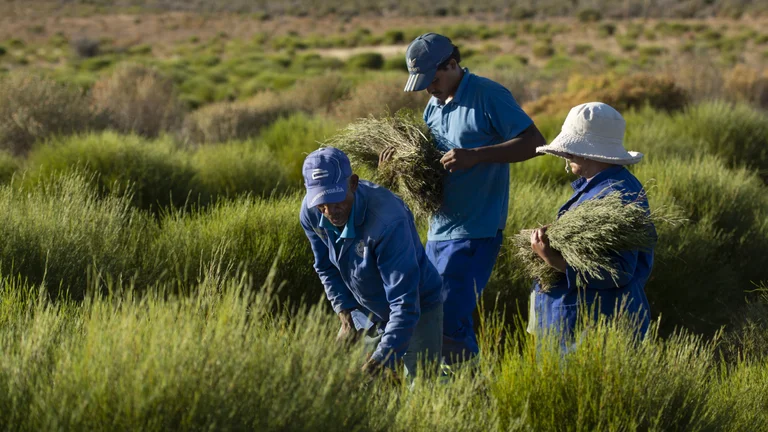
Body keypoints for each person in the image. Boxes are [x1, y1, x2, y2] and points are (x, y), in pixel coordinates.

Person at [396, 32, 547, 367]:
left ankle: (467, 393)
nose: (428, 89)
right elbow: (433, 165)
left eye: (433, 80)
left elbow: (534, 142)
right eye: (423, 83)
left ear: (452, 64)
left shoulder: (487, 94)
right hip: (439, 231)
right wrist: (401, 163)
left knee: (448, 319)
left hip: (475, 230)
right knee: (431, 315)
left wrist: (476, 155)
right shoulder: (433, 106)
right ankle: (445, 392)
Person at [299, 147, 443, 379]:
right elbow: (325, 267)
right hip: (365, 307)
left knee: (422, 391)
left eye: (336, 200)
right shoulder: (311, 213)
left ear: (353, 183)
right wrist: (345, 315)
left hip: (416, 307)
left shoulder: (387, 222)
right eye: (321, 203)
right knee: (355, 384)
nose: (330, 211)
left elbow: (404, 303)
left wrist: (380, 360)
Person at [529, 102, 655, 348]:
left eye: (571, 151)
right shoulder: (604, 186)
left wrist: (552, 260)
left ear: (589, 152)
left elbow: (619, 271)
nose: (566, 156)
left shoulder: (616, 195)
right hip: (581, 325)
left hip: (591, 329)